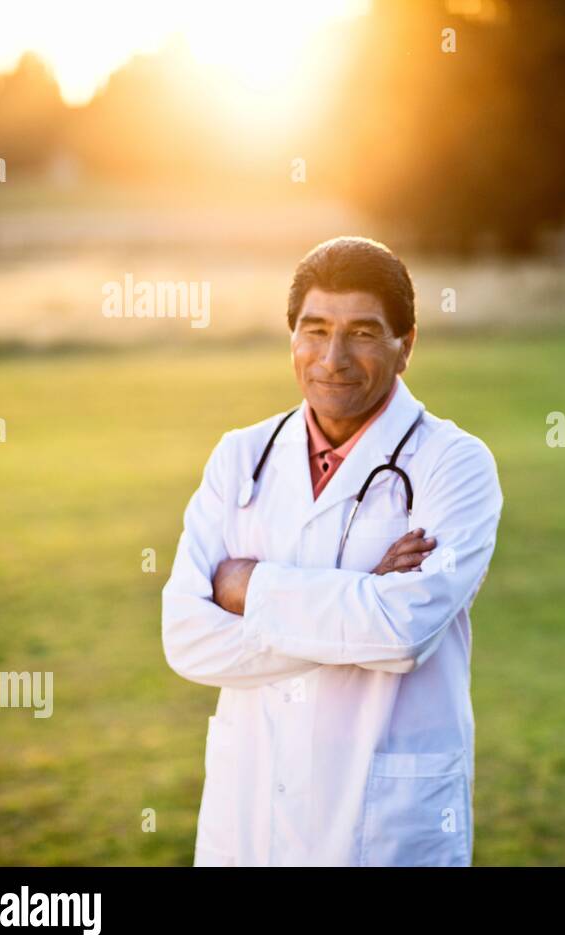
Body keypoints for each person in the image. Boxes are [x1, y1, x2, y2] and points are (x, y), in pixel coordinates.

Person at [162, 236, 502, 866]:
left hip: (385, 830)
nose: (334, 358)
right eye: (314, 330)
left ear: (407, 346)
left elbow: (401, 633)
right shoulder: (240, 456)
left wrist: (246, 587)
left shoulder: (454, 464)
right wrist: (359, 595)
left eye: (364, 333)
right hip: (249, 818)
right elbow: (184, 637)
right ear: (291, 338)